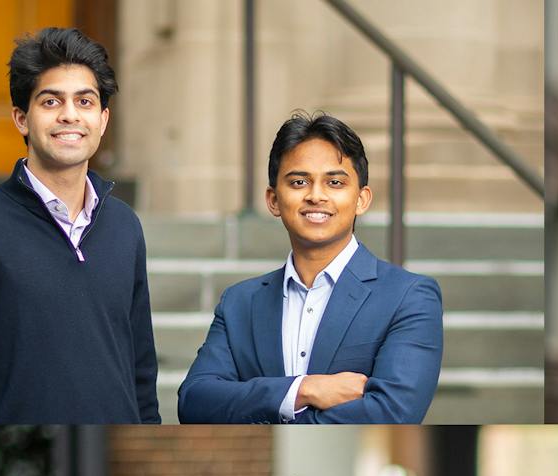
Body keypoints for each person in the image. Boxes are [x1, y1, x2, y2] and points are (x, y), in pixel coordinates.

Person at [0, 27, 159, 424]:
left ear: (103, 119)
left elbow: (141, 372)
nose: (70, 114)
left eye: (85, 101)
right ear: (22, 118)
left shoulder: (125, 226)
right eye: (51, 100)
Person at [177, 113, 443, 423]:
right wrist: (303, 390)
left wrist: (263, 409)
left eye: (334, 182)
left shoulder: (408, 296)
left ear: (361, 199)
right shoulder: (240, 302)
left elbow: (393, 412)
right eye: (299, 182)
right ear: (274, 199)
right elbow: (195, 401)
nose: (316, 195)